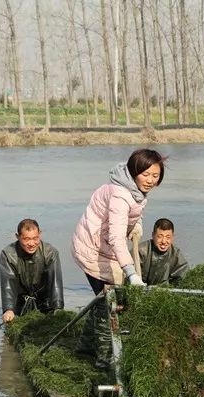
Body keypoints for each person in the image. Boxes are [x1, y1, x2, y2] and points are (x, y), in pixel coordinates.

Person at [71, 148, 166, 367]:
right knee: (109, 302)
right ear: (134, 171)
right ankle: (105, 359)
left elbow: (135, 211)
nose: (151, 180)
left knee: (103, 299)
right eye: (146, 174)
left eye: (155, 175)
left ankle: (85, 347)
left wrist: (137, 225)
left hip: (105, 246)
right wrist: (131, 273)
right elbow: (115, 237)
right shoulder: (120, 194)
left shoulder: (135, 189)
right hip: (92, 248)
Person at [0, 218, 64, 322]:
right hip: (20, 303)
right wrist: (8, 309)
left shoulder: (50, 253)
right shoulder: (8, 254)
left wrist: (58, 308)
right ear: (18, 237)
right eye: (26, 239)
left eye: (35, 238)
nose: (32, 243)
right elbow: (8, 284)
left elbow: (55, 282)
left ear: (40, 234)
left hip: (45, 303)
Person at [138, 218, 189, 286]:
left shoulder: (176, 254)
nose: (164, 241)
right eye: (160, 237)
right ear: (153, 235)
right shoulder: (141, 251)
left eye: (168, 237)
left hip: (164, 292)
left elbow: (183, 275)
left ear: (172, 237)